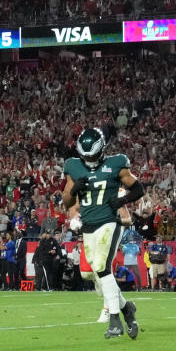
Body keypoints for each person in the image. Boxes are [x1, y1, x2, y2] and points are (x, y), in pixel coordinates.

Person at [62, 127, 144, 339]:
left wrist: (122, 200)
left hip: (109, 222)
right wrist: (73, 189)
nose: (89, 159)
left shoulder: (115, 163)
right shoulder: (73, 166)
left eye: (93, 155)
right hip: (88, 226)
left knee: (101, 266)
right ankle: (127, 309)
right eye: (86, 155)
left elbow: (138, 189)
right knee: (95, 274)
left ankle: (114, 319)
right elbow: (66, 201)